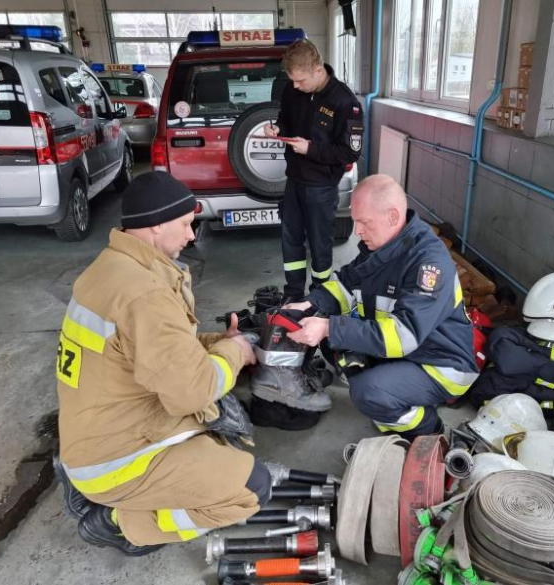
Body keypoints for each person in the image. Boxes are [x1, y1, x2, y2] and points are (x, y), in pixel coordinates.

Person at [53, 171, 270, 556]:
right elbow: (192, 392)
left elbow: (150, 348)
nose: (191, 235)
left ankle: (112, 497)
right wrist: (236, 353)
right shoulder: (144, 293)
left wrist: (217, 342)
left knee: (223, 435)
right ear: (157, 226)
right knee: (251, 487)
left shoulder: (111, 268)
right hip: (116, 458)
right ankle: (120, 523)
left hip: (96, 434)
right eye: (186, 225)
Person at [287, 175, 479, 437]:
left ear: (392, 217)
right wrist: (309, 305)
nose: (357, 231)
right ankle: (394, 393)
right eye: (356, 222)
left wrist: (330, 327)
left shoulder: (428, 264)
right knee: (333, 343)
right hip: (408, 354)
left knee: (368, 392)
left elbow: (403, 336)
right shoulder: (384, 247)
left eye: (364, 222)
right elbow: (345, 284)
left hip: (440, 363)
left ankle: (426, 428)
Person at [264, 39, 364, 303]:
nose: (295, 86)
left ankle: (319, 297)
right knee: (290, 240)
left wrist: (311, 150)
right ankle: (294, 295)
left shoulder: (344, 101)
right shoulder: (291, 91)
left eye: (300, 80)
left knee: (320, 247)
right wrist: (277, 129)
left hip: (321, 186)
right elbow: (286, 119)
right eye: (292, 80)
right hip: (294, 181)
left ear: (318, 71)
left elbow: (349, 152)